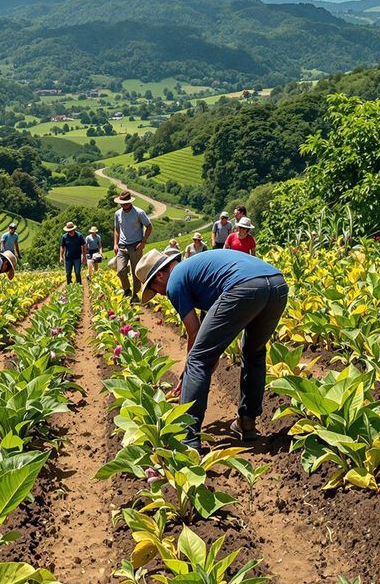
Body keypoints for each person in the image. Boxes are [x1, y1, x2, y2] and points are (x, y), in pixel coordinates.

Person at [136, 249, 289, 450]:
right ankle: (247, 423)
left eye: (155, 289)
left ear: (159, 276)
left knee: (197, 360)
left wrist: (188, 375)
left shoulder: (174, 282)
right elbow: (210, 342)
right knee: (254, 353)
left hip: (243, 286)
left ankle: (188, 438)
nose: (161, 295)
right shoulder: (197, 273)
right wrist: (198, 369)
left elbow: (194, 334)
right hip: (277, 285)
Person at [113, 191, 152, 303]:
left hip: (135, 245)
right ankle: (127, 290)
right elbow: (116, 229)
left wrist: (143, 242)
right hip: (122, 245)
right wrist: (115, 243)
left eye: (126, 203)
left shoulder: (139, 213)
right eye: (122, 203)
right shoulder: (117, 214)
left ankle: (135, 295)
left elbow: (149, 227)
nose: (123, 205)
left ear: (130, 202)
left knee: (136, 271)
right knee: (120, 270)